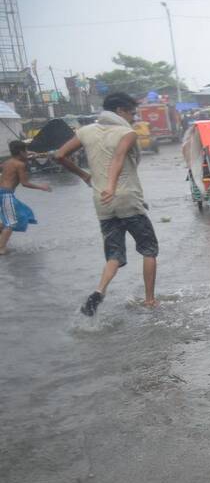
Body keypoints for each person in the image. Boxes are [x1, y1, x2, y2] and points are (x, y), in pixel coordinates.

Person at [56, 92, 159, 316]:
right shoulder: (126, 133)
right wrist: (112, 186)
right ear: (120, 111)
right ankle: (150, 300)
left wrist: (84, 176)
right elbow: (118, 158)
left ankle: (99, 290)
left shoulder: (85, 131)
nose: (133, 117)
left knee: (114, 254)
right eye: (132, 113)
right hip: (127, 199)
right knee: (149, 250)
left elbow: (60, 155)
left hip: (102, 203)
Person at [0, 140, 52, 255]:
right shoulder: (20, 165)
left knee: (20, 214)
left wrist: (30, 156)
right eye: (26, 150)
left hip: (3, 193)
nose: (27, 152)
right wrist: (41, 187)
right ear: (21, 152)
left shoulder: (7, 162)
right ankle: (1, 248)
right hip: (6, 195)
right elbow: (25, 183)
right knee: (11, 222)